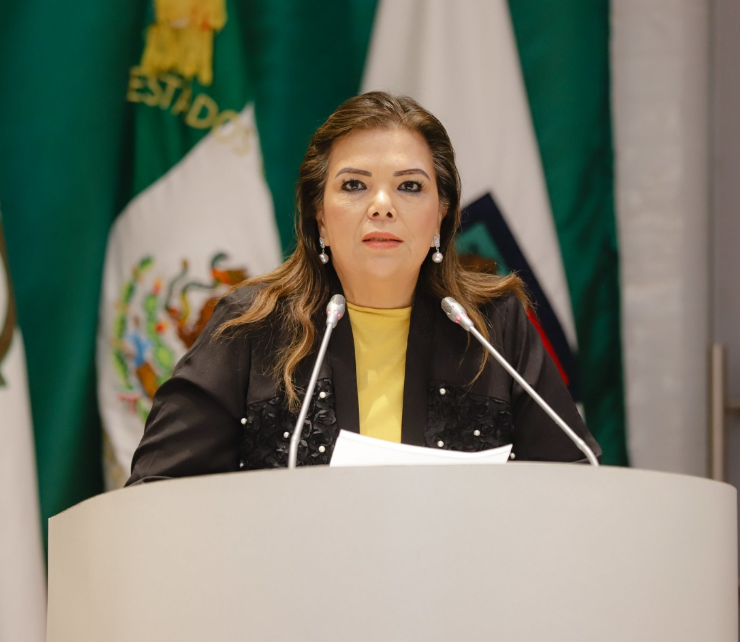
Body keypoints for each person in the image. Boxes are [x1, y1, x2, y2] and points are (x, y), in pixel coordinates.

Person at [126, 92, 600, 484]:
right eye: (354, 185)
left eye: (410, 187)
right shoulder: (252, 326)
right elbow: (157, 491)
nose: (382, 205)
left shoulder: (492, 326)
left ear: (442, 215)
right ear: (319, 216)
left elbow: (576, 486)